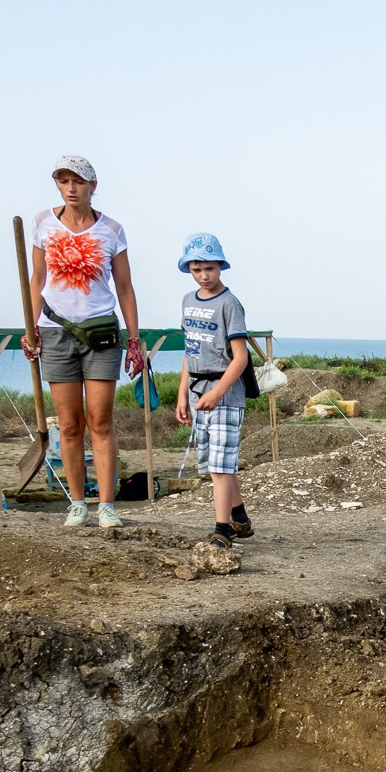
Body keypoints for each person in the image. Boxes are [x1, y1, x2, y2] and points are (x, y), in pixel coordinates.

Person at [23, 155, 144, 529]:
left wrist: (135, 340)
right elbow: (37, 280)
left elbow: (124, 287)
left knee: (100, 421)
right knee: (71, 424)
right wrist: (30, 328)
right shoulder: (43, 223)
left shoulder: (112, 230)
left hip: (102, 331)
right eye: (63, 181)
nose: (71, 188)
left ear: (93, 186)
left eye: (78, 181)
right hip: (56, 331)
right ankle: (77, 503)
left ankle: (106, 504)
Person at [173, 234, 253, 549]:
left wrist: (218, 392)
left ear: (220, 266)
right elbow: (189, 350)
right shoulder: (187, 301)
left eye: (209, 268)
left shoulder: (230, 304)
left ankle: (223, 529)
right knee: (216, 463)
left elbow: (241, 357)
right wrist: (182, 394)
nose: (204, 275)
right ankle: (240, 518)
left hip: (225, 394)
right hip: (197, 391)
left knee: (221, 465)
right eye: (197, 269)